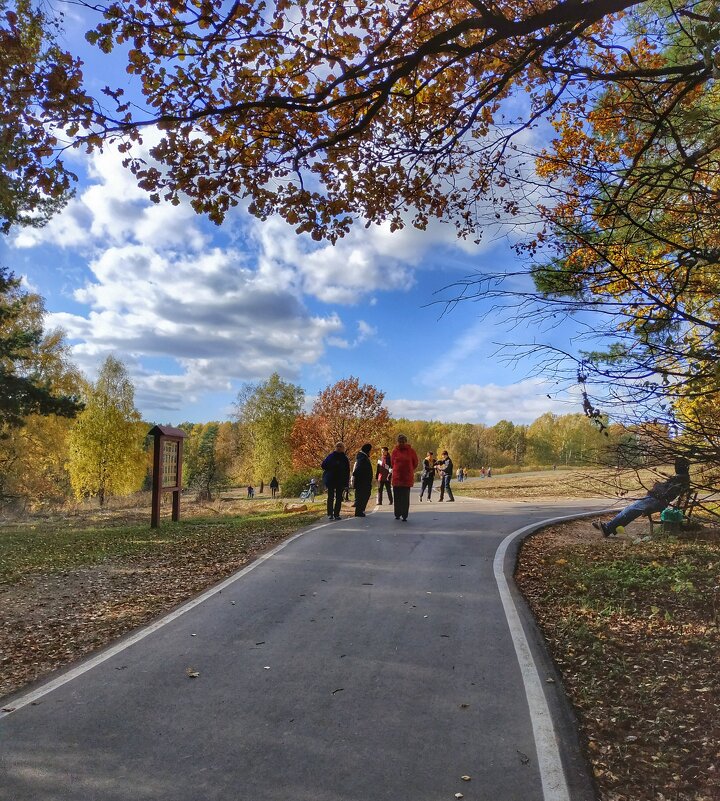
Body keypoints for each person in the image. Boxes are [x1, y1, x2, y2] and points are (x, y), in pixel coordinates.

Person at [592, 457, 691, 537]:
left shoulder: (680, 479)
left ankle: (608, 529)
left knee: (631, 510)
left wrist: (657, 486)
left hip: (657, 501)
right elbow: (668, 491)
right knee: (630, 510)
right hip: (656, 499)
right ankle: (609, 528)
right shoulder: (682, 478)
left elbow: (667, 493)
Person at [391, 434, 418, 521]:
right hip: (407, 477)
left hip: (397, 477)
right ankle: (404, 515)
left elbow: (392, 463)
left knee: (397, 497)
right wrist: (410, 469)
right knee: (405, 498)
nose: (401, 443)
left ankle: (397, 513)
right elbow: (415, 463)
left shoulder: (395, 451)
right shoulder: (411, 451)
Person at [322, 442, 350, 520]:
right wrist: (332, 465)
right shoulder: (331, 456)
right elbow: (323, 465)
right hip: (331, 479)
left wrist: (346, 483)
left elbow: (347, 471)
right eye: (337, 446)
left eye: (340, 446)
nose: (339, 448)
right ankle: (330, 513)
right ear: (335, 447)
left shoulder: (344, 458)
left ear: (343, 448)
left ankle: (336, 514)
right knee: (330, 497)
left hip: (340, 480)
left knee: (339, 498)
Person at [352, 443, 373, 517]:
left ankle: (360, 510)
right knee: (363, 495)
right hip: (363, 481)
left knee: (363, 495)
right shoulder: (362, 458)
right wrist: (355, 475)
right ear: (368, 450)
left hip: (363, 481)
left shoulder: (362, 456)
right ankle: (359, 511)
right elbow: (358, 469)